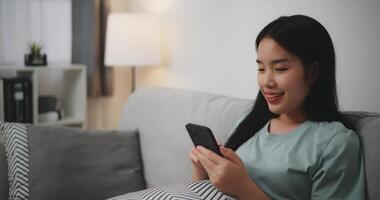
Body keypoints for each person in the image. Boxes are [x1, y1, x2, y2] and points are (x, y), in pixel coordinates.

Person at [190, 15, 366, 200]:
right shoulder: (247, 124)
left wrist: (244, 187)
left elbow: (239, 189)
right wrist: (202, 170)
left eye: (280, 69)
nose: (266, 82)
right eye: (261, 69)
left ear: (313, 72)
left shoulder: (335, 143)